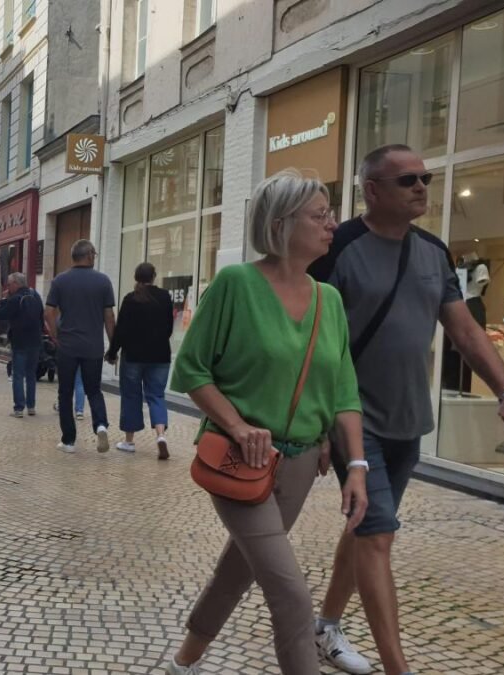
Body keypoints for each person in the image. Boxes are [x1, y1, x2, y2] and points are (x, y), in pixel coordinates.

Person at [308, 145, 504, 675]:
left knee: (366, 526)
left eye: (425, 178)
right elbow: (313, 338)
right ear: (371, 190)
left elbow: (465, 331)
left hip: (409, 419)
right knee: (379, 532)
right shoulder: (337, 247)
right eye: (407, 179)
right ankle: (398, 668)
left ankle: (324, 627)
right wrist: (319, 425)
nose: (420, 188)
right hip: (352, 416)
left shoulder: (434, 251)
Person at [166, 169, 368, 675]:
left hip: (301, 465)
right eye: (320, 215)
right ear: (280, 223)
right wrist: (237, 425)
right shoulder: (236, 284)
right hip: (241, 462)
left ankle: (183, 663)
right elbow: (190, 369)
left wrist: (357, 464)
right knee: (291, 595)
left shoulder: (330, 300)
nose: (333, 225)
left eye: (331, 214)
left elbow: (343, 390)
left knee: (238, 570)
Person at [44, 240, 115, 454]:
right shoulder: (103, 281)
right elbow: (109, 317)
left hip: (67, 346)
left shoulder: (60, 281)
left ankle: (68, 441)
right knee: (94, 390)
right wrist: (113, 347)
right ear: (90, 255)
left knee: (65, 392)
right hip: (93, 347)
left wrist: (56, 336)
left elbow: (48, 312)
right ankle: (100, 425)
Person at [105, 262, 173, 460]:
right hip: (160, 356)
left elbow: (121, 330)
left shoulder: (130, 299)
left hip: (133, 356)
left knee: (131, 396)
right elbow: (169, 328)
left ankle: (129, 441)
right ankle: (160, 436)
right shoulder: (165, 297)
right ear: (154, 276)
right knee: (157, 395)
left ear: (136, 277)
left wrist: (112, 351)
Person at [0, 272, 44, 417]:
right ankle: (31, 407)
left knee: (18, 375)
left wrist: (4, 299)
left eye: (9, 284)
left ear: (16, 284)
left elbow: (1, 315)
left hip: (20, 341)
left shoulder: (15, 299)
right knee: (31, 375)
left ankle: (18, 408)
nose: (8, 287)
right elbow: (42, 315)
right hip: (35, 341)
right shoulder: (35, 295)